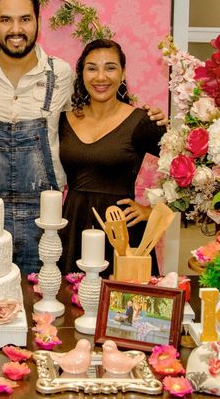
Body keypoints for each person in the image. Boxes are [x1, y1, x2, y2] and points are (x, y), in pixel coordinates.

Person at [0, 0, 166, 274]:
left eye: (25, 18)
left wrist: (153, 208)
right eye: (6, 19)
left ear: (38, 21)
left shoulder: (59, 74)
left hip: (48, 223)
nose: (16, 28)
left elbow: (109, 109)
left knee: (51, 303)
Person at [59, 39, 166, 276]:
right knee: (70, 306)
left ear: (123, 73)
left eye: (110, 67)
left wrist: (153, 210)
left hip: (122, 233)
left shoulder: (143, 121)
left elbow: (188, 169)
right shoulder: (62, 120)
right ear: (81, 74)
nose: (100, 77)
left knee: (123, 310)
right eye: (92, 68)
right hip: (74, 227)